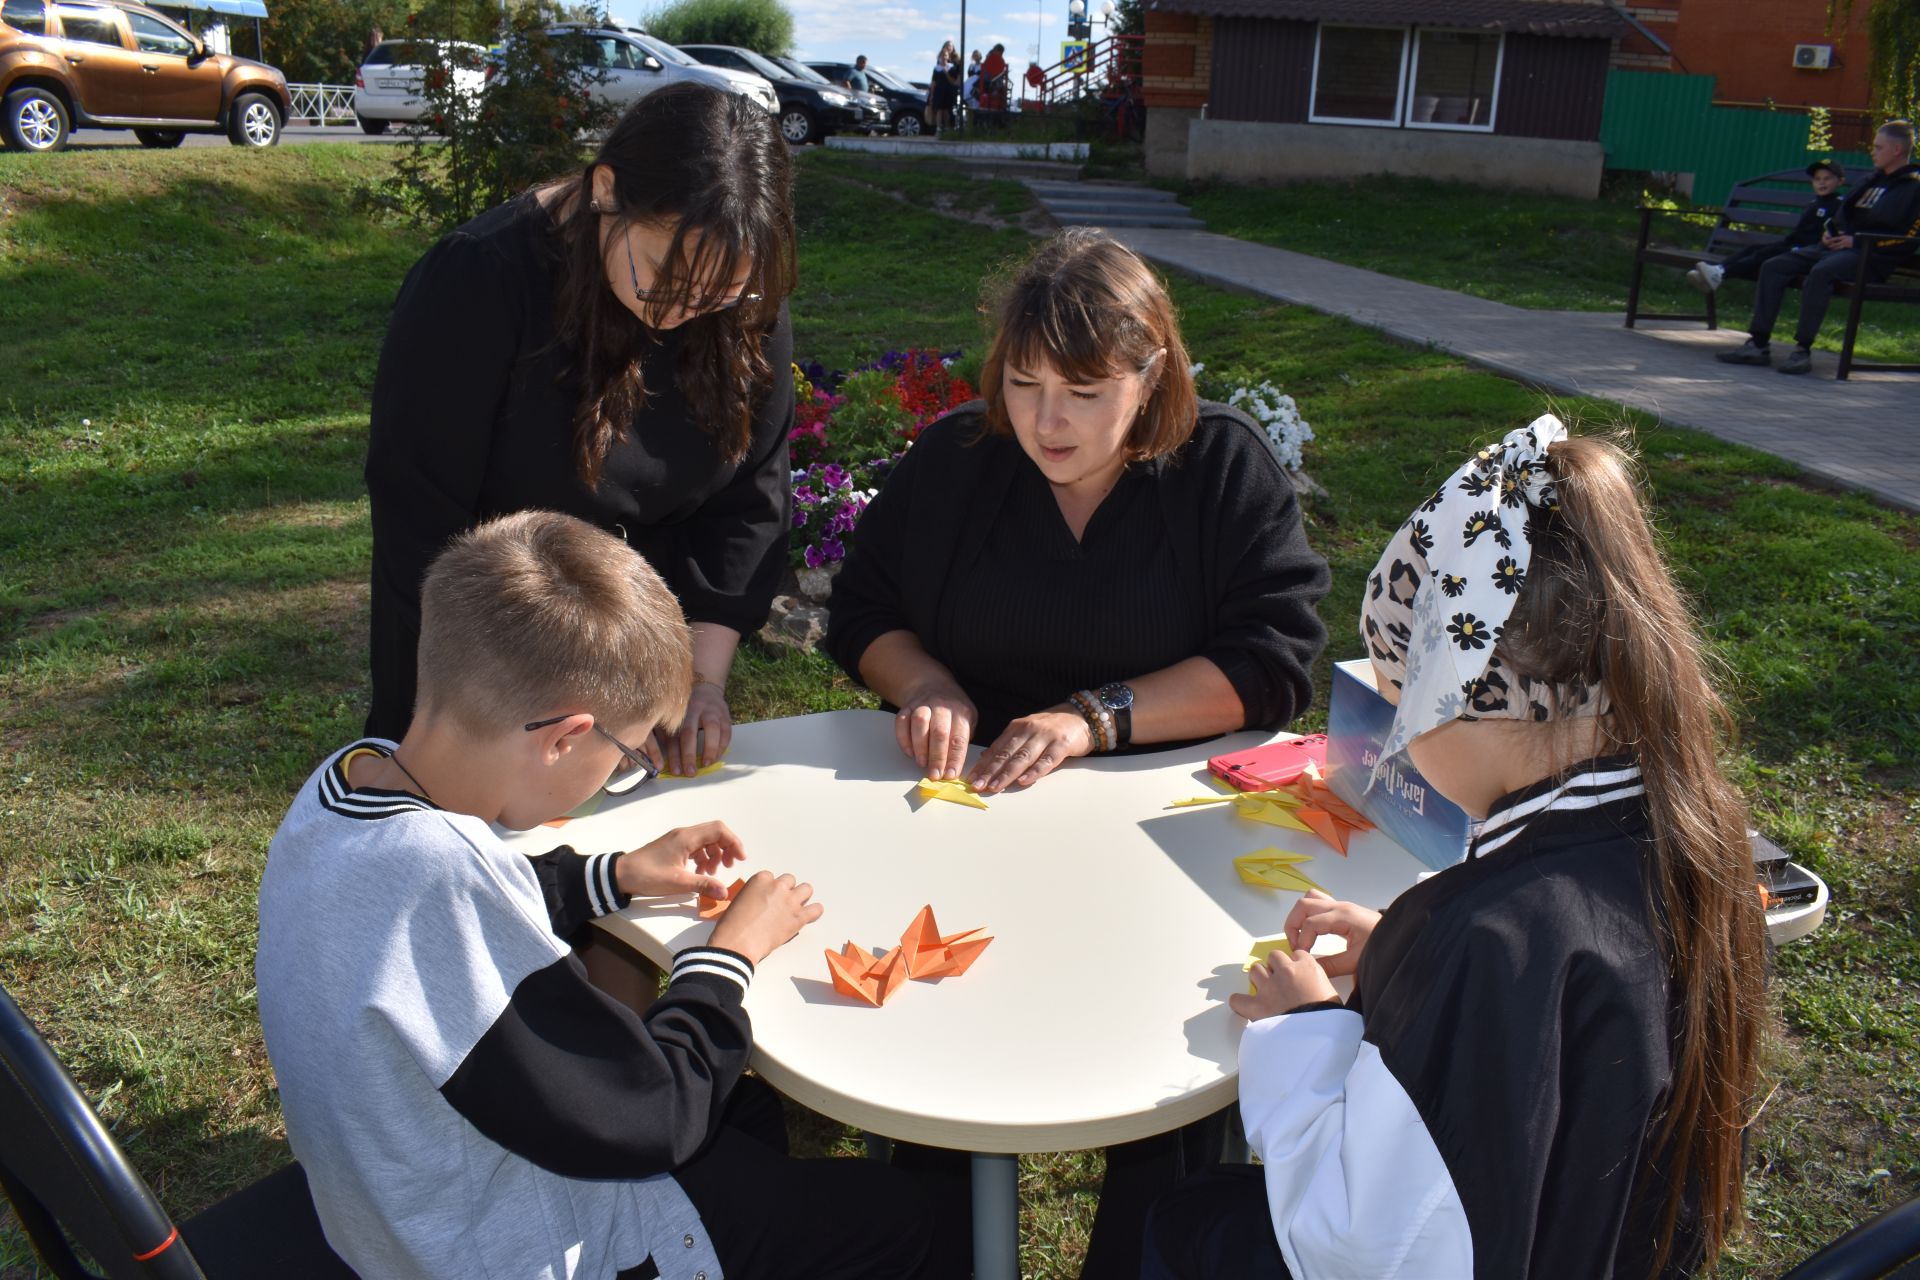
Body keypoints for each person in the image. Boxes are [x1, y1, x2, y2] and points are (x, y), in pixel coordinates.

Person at [1141, 419, 1768, 1279]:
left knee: (1186, 1222)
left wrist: (1303, 1029)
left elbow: (1365, 1245)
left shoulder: (1485, 934)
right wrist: (1406, 958)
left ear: (1458, 698)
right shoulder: (1690, 835)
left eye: (1401, 697)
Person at [257, 510, 955, 1280]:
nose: (620, 775)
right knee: (916, 1219)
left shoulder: (350, 782)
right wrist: (729, 956)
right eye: (625, 755)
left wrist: (615, 874)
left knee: (752, 1119)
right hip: (513, 1247)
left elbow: (454, 911)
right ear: (562, 738)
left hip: (408, 1202)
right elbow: (652, 1117)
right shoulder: (441, 881)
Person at [365, 84, 797, 774]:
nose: (687, 310)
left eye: (719, 292)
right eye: (664, 277)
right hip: (484, 657)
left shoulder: (742, 307)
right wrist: (519, 709)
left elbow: (749, 502)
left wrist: (697, 682)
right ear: (605, 191)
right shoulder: (479, 281)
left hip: (637, 669)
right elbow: (420, 520)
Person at [826, 229, 1329, 803]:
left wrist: (1092, 718)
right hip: (961, 791)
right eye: (1023, 383)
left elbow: (1272, 663)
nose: (1044, 423)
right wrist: (924, 683)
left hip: (1159, 803)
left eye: (1083, 393)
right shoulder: (954, 459)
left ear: (1152, 376)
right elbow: (862, 609)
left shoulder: (1222, 466)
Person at [1716, 119, 1920, 375]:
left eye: (1878, 147)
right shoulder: (1870, 180)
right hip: (1836, 248)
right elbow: (1842, 215)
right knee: (1775, 265)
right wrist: (1830, 232)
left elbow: (1908, 237)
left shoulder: (1914, 187)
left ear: (1897, 150)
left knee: (1822, 272)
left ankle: (1802, 350)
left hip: (1870, 256)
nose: (1873, 151)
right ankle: (1757, 345)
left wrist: (1857, 241)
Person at [1687, 156, 1848, 294]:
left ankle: (1720, 273)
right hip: (1792, 244)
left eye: (1827, 178)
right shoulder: (1814, 202)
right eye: (1817, 179)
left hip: (1806, 251)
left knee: (1763, 255)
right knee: (1753, 249)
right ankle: (1718, 270)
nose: (1821, 183)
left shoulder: (1838, 205)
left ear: (1840, 181)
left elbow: (1833, 232)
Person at [927, 40, 960, 133]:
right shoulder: (936, 68)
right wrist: (931, 94)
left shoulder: (953, 66)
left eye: (945, 56)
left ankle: (948, 127)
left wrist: (946, 72)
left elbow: (954, 80)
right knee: (939, 110)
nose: (943, 57)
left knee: (947, 110)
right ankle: (938, 128)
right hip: (938, 91)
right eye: (942, 55)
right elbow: (934, 81)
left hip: (949, 90)